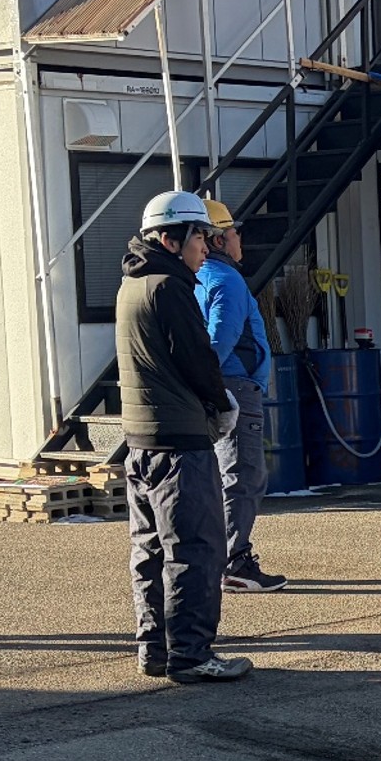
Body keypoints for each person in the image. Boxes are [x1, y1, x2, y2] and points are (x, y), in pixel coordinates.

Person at [117, 190, 250, 683]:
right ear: (172, 239)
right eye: (200, 237)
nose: (205, 248)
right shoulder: (171, 288)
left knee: (150, 550)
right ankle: (192, 654)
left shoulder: (132, 284)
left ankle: (155, 649)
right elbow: (198, 359)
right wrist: (221, 405)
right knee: (195, 550)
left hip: (141, 440)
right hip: (180, 442)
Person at [197, 199, 286, 592]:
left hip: (218, 386)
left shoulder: (196, 278)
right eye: (234, 232)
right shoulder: (227, 280)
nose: (239, 239)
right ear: (218, 239)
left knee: (220, 476)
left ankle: (219, 558)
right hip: (235, 387)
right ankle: (234, 562)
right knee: (243, 475)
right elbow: (221, 339)